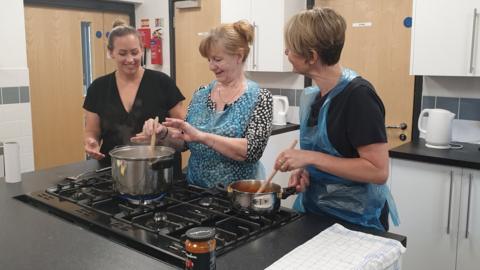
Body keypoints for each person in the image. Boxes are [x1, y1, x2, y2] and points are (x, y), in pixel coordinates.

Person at [274, 8, 399, 231]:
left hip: (357, 220)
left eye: (291, 47)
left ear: (312, 56)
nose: (286, 51)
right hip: (317, 213)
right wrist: (305, 170)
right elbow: (330, 158)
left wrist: (310, 157)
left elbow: (378, 171)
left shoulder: (358, 96)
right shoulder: (314, 96)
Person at [132, 20, 273, 188]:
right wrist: (163, 134)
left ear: (239, 56)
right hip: (196, 192)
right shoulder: (201, 94)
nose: (211, 66)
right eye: (209, 60)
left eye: (217, 59)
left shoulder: (260, 97)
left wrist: (202, 136)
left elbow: (251, 151)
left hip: (239, 196)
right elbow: (185, 142)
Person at [83, 20, 185, 170]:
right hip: (114, 169)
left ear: (142, 50)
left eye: (135, 52)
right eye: (123, 53)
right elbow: (92, 131)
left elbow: (183, 132)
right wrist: (91, 141)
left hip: (160, 169)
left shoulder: (163, 83)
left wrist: (162, 134)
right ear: (111, 53)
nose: (130, 59)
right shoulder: (98, 88)